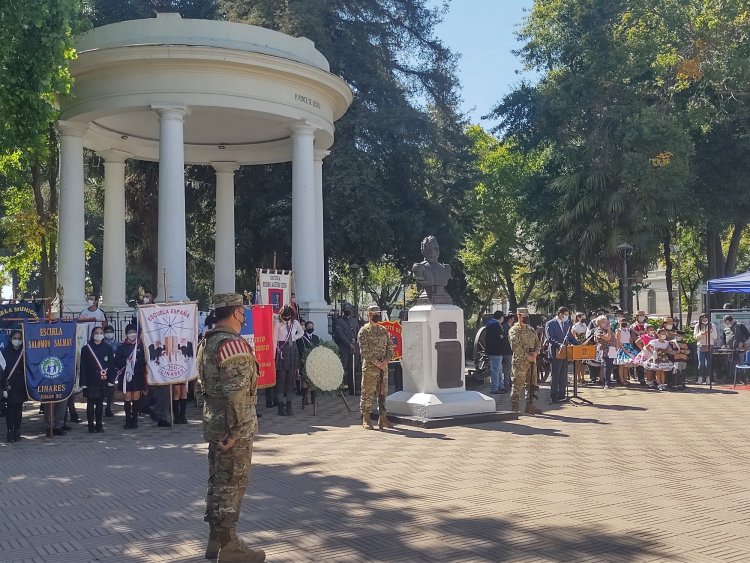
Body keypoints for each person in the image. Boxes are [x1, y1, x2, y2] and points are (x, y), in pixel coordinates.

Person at [196, 293, 265, 562]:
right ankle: (230, 547)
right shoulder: (232, 346)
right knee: (232, 484)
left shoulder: (208, 343)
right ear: (236, 313)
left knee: (218, 481)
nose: (244, 315)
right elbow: (236, 394)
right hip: (232, 428)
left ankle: (216, 539)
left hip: (215, 423)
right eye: (242, 311)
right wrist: (235, 432)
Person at [358, 305, 394, 430]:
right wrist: (376, 362)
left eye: (378, 313)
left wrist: (386, 360)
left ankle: (383, 418)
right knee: (367, 393)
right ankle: (366, 418)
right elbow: (364, 351)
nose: (377, 316)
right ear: (369, 315)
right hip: (370, 368)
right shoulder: (364, 331)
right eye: (374, 314)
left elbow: (390, 348)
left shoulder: (384, 330)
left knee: (383, 393)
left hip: (383, 368)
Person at [80, 326, 116, 433]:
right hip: (90, 380)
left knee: (100, 403)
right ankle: (90, 425)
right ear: (92, 335)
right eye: (96, 333)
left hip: (102, 380)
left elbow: (111, 365)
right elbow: (83, 366)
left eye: (101, 333)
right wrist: (83, 382)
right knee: (90, 403)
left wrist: (111, 381)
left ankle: (99, 425)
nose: (99, 335)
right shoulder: (86, 348)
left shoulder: (108, 348)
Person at [509, 308, 541, 414]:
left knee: (531, 385)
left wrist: (536, 353)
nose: (525, 318)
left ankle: (530, 405)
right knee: (517, 384)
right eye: (523, 316)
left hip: (532, 363)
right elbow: (515, 347)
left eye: (527, 316)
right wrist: (527, 357)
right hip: (520, 362)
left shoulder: (531, 330)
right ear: (518, 316)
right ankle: (515, 408)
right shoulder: (514, 330)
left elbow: (538, 343)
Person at [114, 324, 147, 429]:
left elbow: (146, 360)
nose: (131, 334)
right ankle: (128, 420)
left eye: (133, 332)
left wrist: (137, 360)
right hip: (125, 376)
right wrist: (126, 361)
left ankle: (135, 420)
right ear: (126, 334)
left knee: (136, 397)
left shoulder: (141, 346)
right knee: (127, 397)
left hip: (137, 375)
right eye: (129, 332)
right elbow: (117, 361)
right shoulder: (121, 347)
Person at [545, 307, 578, 403]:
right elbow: (550, 338)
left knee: (563, 375)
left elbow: (570, 338)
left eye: (567, 315)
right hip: (556, 352)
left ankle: (562, 395)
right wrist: (559, 344)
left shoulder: (566, 324)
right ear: (560, 314)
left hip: (565, 353)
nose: (566, 317)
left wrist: (579, 344)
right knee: (555, 375)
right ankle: (554, 396)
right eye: (565, 315)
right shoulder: (550, 323)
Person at [274, 305, 303, 416]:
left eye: (289, 316)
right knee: (281, 379)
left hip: (292, 349)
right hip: (282, 349)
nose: (287, 318)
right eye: (285, 316)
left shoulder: (295, 323)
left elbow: (301, 333)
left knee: (290, 379)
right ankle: (281, 406)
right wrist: (274, 355)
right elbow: (274, 338)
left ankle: (289, 405)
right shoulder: (278, 324)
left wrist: (293, 338)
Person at [1, 330, 27, 442]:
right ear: (11, 339)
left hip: (20, 385)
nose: (17, 340)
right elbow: (1, 371)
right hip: (9, 385)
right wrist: (3, 387)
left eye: (19, 338)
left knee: (18, 410)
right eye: (15, 338)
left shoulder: (24, 352)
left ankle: (17, 431)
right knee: (11, 410)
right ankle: (10, 432)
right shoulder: (4, 352)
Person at [333, 302, 361, 395]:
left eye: (349, 309)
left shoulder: (355, 320)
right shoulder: (339, 321)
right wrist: (349, 344)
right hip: (344, 346)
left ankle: (355, 388)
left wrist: (357, 344)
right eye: (346, 310)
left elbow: (358, 332)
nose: (348, 311)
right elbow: (340, 334)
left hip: (355, 345)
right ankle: (343, 389)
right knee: (344, 367)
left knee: (354, 367)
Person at [297, 320, 320, 406]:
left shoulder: (316, 337)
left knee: (314, 380)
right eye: (309, 327)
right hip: (304, 362)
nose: (310, 328)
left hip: (313, 362)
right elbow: (300, 349)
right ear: (305, 328)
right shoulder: (301, 338)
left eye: (312, 327)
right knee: (305, 381)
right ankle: (305, 398)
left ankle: (313, 398)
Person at [485, 311, 506, 394]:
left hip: (491, 350)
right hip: (496, 350)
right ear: (501, 317)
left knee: (499, 369)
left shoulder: (489, 323)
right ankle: (494, 388)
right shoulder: (496, 324)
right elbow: (501, 337)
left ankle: (501, 386)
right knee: (496, 370)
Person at [694, 313, 718, 384]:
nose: (704, 319)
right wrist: (701, 334)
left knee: (709, 363)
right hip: (701, 346)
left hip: (709, 345)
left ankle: (708, 378)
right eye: (702, 318)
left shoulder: (712, 325)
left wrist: (709, 333)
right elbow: (695, 337)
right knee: (701, 363)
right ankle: (700, 378)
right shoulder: (697, 326)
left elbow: (715, 336)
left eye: (706, 317)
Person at [594, 315, 616, 388]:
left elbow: (614, 338)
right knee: (606, 366)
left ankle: (608, 381)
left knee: (610, 366)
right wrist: (609, 329)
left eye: (606, 322)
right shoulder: (599, 331)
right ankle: (606, 383)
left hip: (612, 349)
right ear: (599, 323)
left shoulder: (608, 330)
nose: (606, 323)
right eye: (603, 322)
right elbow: (607, 338)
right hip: (605, 350)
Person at [615, 319, 638, 385]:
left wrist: (631, 347)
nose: (624, 323)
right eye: (622, 321)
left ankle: (625, 379)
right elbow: (618, 341)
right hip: (622, 347)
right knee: (622, 365)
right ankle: (622, 380)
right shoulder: (618, 331)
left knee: (626, 366)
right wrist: (624, 349)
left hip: (629, 346)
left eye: (625, 321)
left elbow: (630, 339)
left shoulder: (628, 330)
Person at [500, 313, 515, 392]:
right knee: (507, 368)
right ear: (510, 319)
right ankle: (506, 384)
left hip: (505, 350)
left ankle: (508, 382)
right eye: (513, 318)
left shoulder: (506, 327)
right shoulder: (507, 328)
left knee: (507, 368)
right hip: (506, 351)